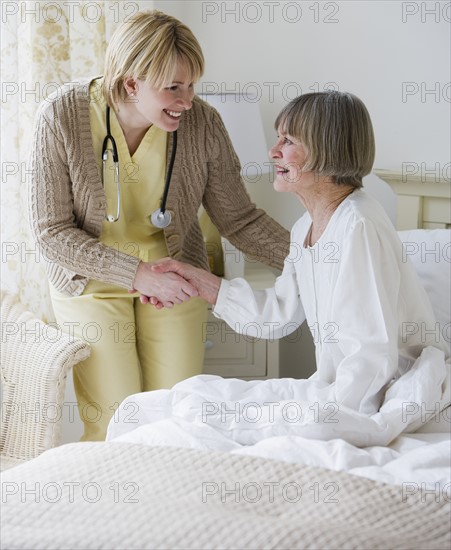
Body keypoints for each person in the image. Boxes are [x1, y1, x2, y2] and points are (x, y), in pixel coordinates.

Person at [131, 90, 448, 446]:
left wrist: (334, 419)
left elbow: (371, 356)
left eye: (288, 140)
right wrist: (201, 282)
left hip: (393, 392)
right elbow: (278, 313)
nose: (273, 150)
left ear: (327, 150)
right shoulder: (306, 228)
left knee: (219, 421)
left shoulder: (359, 225)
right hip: (340, 390)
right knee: (183, 400)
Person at [28, 10, 289, 441]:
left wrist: (317, 255)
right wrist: (135, 274)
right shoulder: (61, 116)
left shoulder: (202, 123)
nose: (187, 100)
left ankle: (168, 506)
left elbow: (239, 218)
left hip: (174, 277)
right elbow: (50, 232)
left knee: (177, 415)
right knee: (116, 417)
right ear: (131, 82)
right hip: (90, 280)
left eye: (191, 85)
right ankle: (113, 505)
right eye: (173, 87)